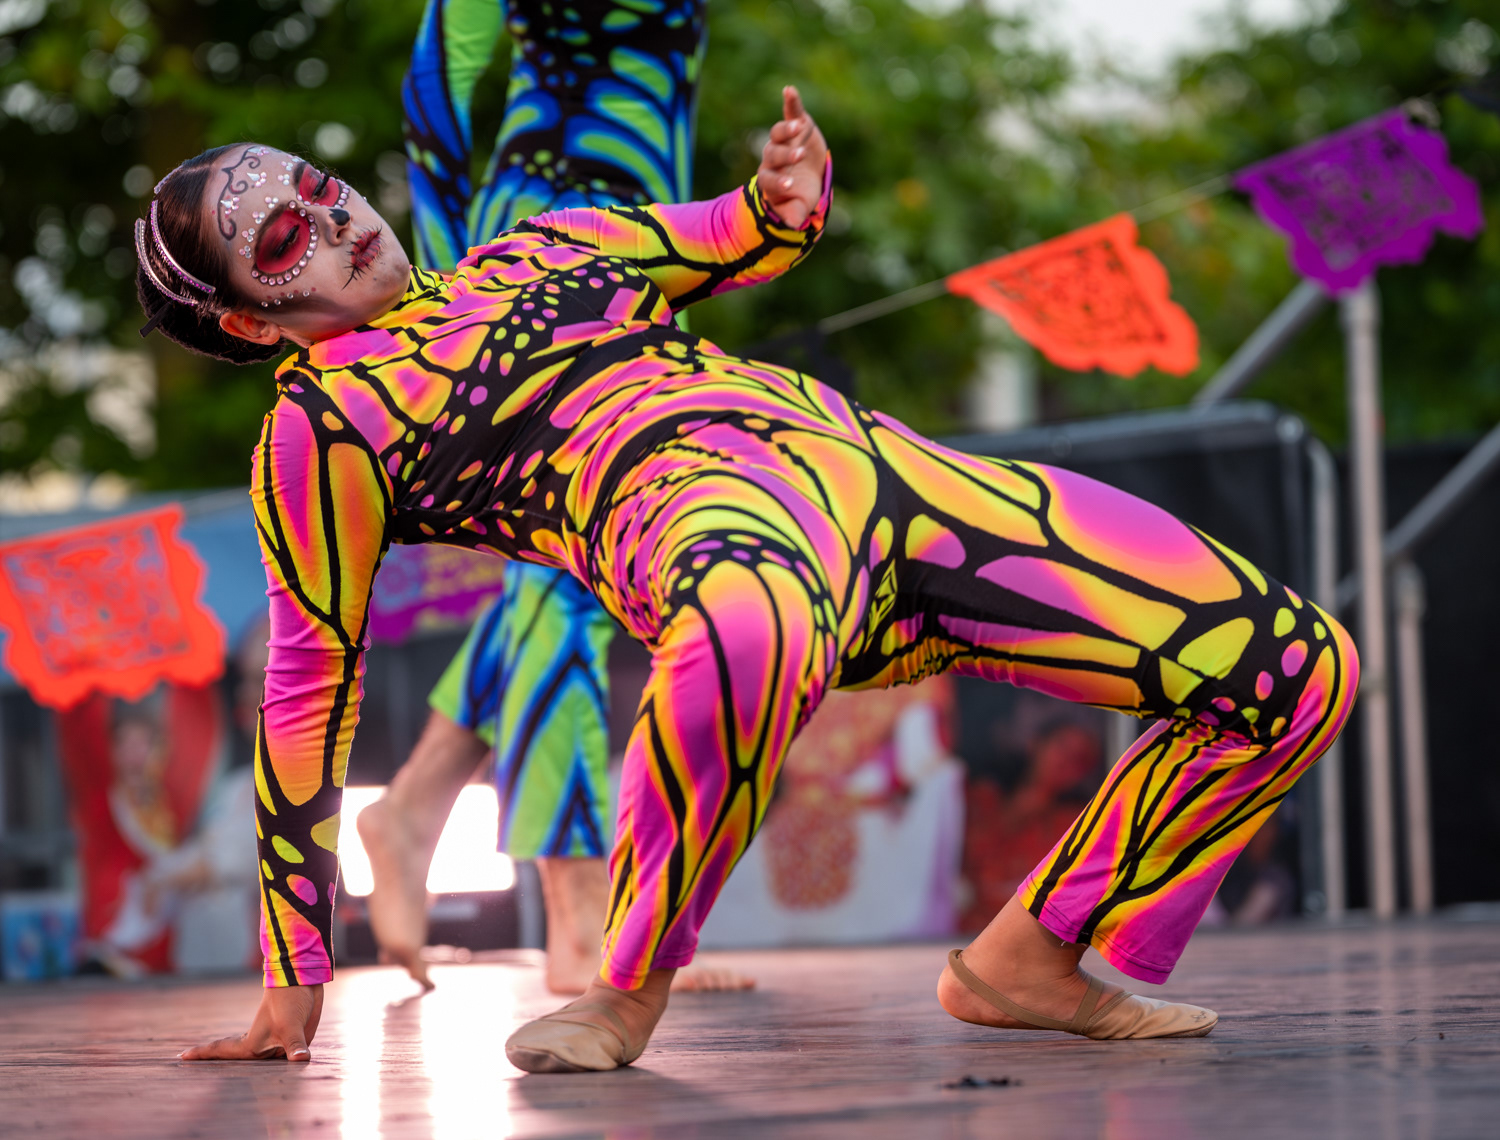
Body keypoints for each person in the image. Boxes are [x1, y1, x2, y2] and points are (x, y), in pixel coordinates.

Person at [140, 86, 1357, 1070]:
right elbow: (308, 698)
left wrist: (787, 192)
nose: (341, 215)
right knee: (745, 626)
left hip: (896, 484)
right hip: (707, 520)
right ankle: (625, 989)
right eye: (290, 237)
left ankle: (1031, 957)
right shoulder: (323, 428)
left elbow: (746, 233)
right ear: (249, 323)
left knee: (1299, 670)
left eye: (317, 183)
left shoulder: (541, 245)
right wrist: (292, 981)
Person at [353, 0, 747, 996]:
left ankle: (411, 807)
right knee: (571, 574)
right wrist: (446, 297)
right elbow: (441, 81)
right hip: (545, 238)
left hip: (644, 245)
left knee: (569, 569)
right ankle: (582, 919)